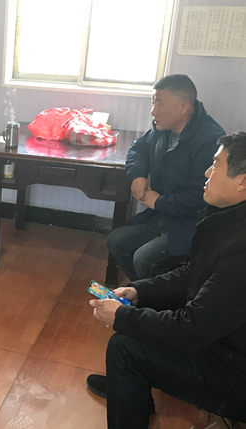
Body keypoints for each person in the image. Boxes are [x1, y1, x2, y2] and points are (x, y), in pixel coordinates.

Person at [87, 131, 246, 428]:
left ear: (242, 182)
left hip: (233, 372)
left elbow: (192, 328)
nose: (207, 173)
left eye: (216, 165)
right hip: (221, 344)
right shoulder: (228, 218)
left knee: (124, 348)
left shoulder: (241, 249)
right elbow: (193, 272)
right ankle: (131, 391)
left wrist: (122, 316)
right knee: (142, 317)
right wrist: (138, 292)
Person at [106, 74, 225, 281]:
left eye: (159, 104)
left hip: (190, 222)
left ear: (183, 107)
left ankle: (157, 296)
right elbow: (138, 148)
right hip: (162, 214)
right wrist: (137, 175)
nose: (153, 111)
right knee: (116, 241)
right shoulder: (162, 128)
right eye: (153, 103)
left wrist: (159, 202)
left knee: (144, 259)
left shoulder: (210, 139)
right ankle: (145, 291)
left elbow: (201, 196)